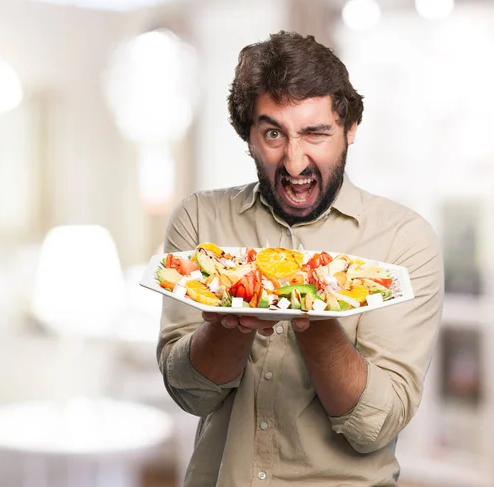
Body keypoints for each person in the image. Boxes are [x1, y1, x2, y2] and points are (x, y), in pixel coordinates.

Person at [157, 31, 443, 487]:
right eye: (274, 133)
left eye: (315, 133)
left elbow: (375, 427)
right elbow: (191, 395)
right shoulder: (199, 219)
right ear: (247, 135)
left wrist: (315, 308)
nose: (294, 163)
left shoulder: (405, 242)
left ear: (350, 129)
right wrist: (232, 317)